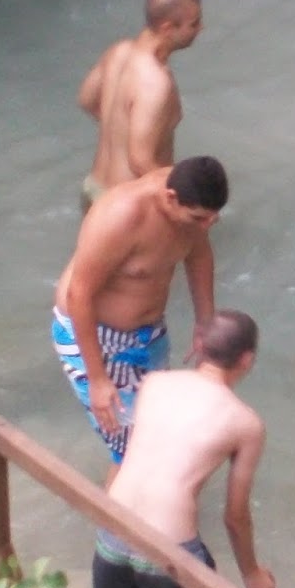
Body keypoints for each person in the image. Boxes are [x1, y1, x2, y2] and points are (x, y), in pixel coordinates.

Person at [92, 309, 275, 588]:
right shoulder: (244, 422)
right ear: (246, 360)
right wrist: (252, 574)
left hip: (113, 530)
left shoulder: (155, 383)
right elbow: (235, 515)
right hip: (169, 551)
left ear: (199, 346)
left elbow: (128, 450)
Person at [52, 156, 227, 473]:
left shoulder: (190, 208)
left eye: (212, 222)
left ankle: (157, 516)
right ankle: (116, 523)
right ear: (171, 198)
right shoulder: (121, 215)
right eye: (198, 219)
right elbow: (79, 294)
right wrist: (97, 379)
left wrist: (205, 322)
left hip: (148, 334)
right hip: (94, 335)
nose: (204, 228)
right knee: (133, 455)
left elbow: (199, 256)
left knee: (158, 437)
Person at [77, 0, 204, 211]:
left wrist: (120, 130)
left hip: (94, 188)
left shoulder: (119, 51)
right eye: (193, 24)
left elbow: (86, 100)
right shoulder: (155, 83)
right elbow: (140, 160)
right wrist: (186, 200)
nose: (201, 28)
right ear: (167, 28)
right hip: (127, 206)